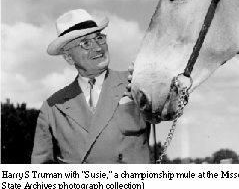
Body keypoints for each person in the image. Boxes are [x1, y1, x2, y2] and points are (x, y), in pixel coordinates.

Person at [31, 9, 150, 163]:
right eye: (86, 43)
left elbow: (168, 105)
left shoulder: (134, 82)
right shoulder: (52, 107)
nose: (98, 48)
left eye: (99, 38)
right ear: (68, 57)